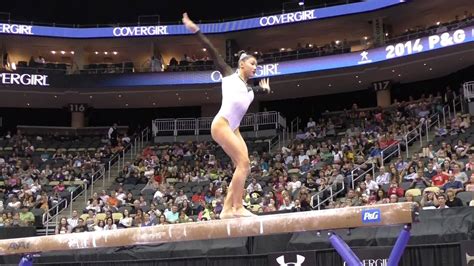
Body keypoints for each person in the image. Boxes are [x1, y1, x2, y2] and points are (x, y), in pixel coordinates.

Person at [183, 13, 271, 218]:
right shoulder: (229, 76)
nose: (255, 67)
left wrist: (264, 90)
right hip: (221, 125)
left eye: (256, 65)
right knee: (243, 164)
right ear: (242, 64)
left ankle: (226, 210)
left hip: (234, 128)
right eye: (252, 64)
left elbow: (255, 92)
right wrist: (196, 30)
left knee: (244, 166)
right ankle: (238, 207)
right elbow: (212, 51)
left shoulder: (249, 90)